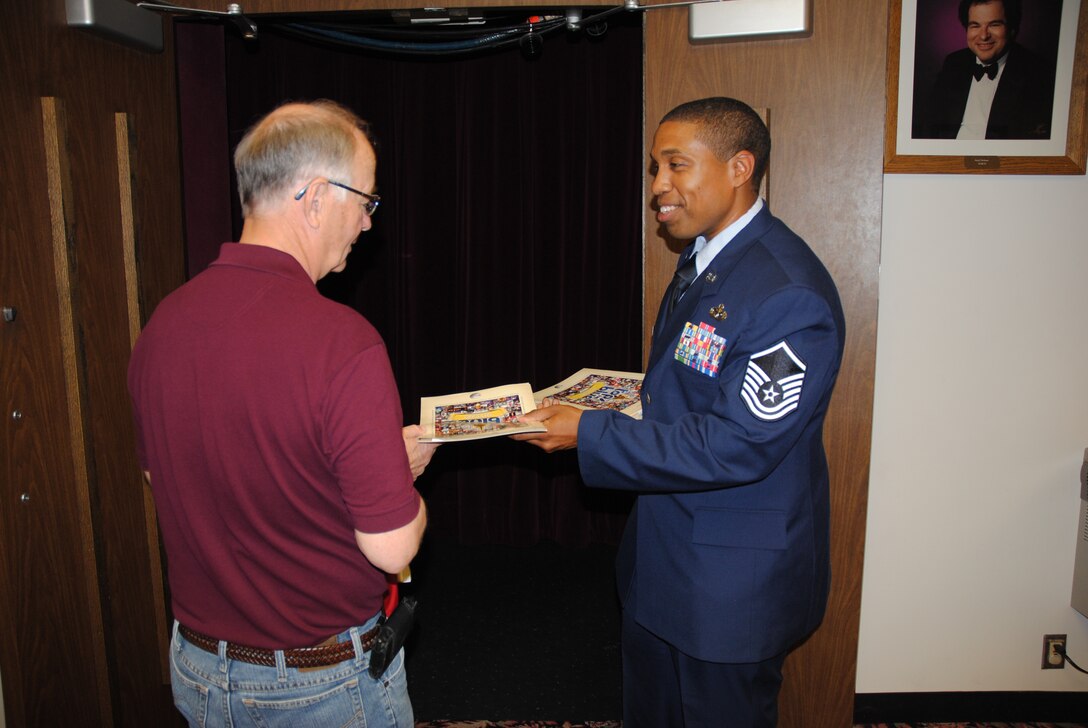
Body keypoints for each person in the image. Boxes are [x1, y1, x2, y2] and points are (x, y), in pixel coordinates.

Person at [515, 97, 845, 726]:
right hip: (664, 563)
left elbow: (737, 442)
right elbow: (690, 386)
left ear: (740, 167)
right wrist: (605, 400)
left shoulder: (787, 293)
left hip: (729, 585)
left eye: (676, 166)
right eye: (654, 168)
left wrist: (588, 432)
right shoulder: (707, 260)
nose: (658, 187)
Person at [128, 100, 437, 727]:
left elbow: (172, 483)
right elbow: (393, 546)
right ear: (318, 196)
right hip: (317, 686)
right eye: (366, 202)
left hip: (195, 668)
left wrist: (362, 473)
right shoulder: (342, 340)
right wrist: (395, 481)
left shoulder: (162, 325)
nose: (367, 224)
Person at [914, 0, 1056, 139]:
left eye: (994, 24)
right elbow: (928, 126)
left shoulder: (1039, 72)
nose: (983, 36)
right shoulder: (954, 63)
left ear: (1012, 28)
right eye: (975, 26)